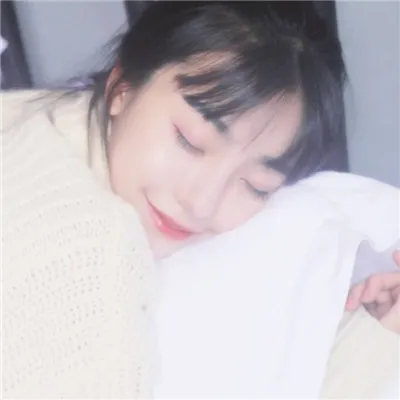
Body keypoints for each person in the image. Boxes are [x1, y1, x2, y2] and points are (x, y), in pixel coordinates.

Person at [2, 1, 399, 398]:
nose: (202, 203)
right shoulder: (86, 252)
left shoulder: (43, 118)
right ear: (122, 85)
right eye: (190, 141)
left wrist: (375, 335)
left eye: (257, 185)